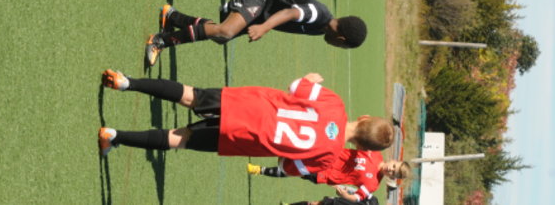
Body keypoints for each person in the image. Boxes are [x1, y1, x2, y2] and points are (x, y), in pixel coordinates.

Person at [99, 69, 395, 177]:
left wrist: (308, 79)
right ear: (361, 148)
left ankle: (127, 82)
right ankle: (114, 135)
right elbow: (287, 167)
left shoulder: (335, 104)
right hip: (245, 138)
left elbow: (295, 86)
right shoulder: (329, 158)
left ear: (365, 117)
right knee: (182, 138)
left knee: (191, 95)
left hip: (248, 102)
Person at [144, 0, 367, 66]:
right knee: (225, 31)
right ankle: (159, 41)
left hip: (263, 12)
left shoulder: (322, 28)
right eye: (341, 46)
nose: (336, 47)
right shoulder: (319, 15)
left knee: (221, 36)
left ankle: (172, 16)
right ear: (341, 38)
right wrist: (264, 27)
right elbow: (290, 13)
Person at [248, 148, 410, 202]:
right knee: (296, 151)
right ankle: (262, 148)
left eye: (393, 173)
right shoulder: (375, 153)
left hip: (324, 174)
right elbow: (361, 140)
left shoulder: (373, 184)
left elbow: (357, 197)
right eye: (394, 167)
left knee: (293, 170)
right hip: (328, 154)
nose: (391, 170)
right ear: (394, 160)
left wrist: (345, 195)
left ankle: (259, 170)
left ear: (392, 177)